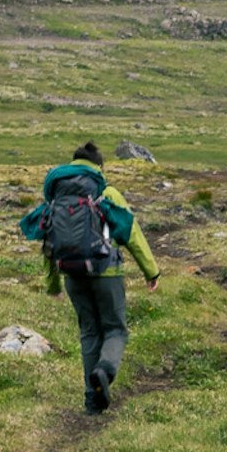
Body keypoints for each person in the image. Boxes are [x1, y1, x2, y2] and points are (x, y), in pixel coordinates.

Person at [19, 142, 161, 412]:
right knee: (115, 329)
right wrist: (151, 271)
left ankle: (92, 400)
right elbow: (132, 234)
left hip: (72, 273)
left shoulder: (57, 197)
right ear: (99, 166)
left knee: (89, 332)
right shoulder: (106, 192)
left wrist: (53, 284)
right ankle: (105, 371)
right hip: (106, 272)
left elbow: (49, 243)